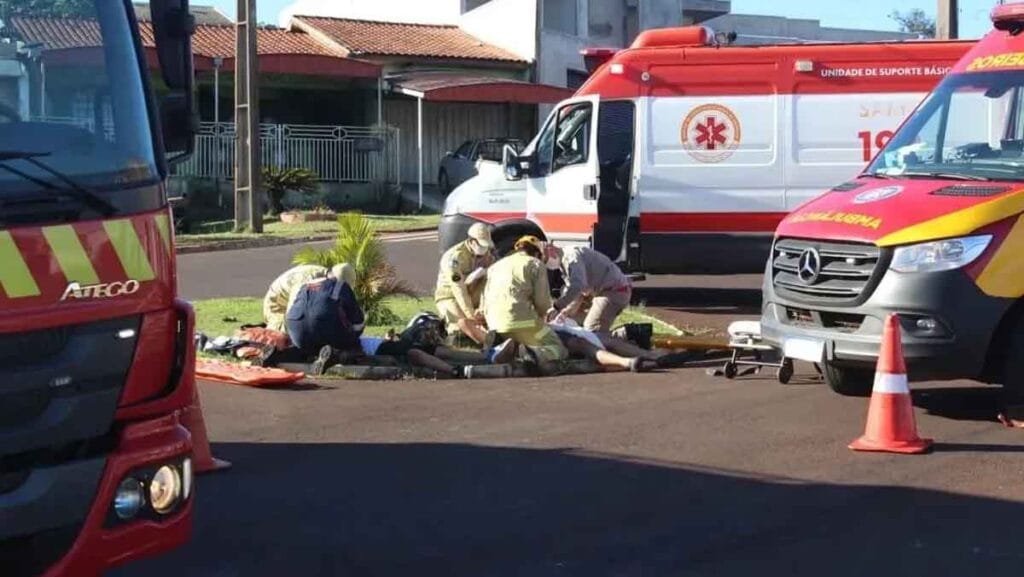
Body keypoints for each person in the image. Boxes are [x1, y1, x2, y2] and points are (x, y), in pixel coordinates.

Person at [481, 235, 567, 367]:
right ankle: (526, 353)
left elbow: (484, 298)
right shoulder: (535, 263)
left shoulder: (495, 266)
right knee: (559, 349)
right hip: (523, 322)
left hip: (494, 323)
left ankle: (497, 352)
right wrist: (545, 317)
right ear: (537, 253)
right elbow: (542, 304)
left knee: (517, 335)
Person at [285, 263, 364, 375]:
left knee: (304, 349)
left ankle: (279, 354)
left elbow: (291, 312)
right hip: (325, 329)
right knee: (355, 348)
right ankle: (335, 355)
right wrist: (354, 337)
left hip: (297, 332)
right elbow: (358, 323)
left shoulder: (305, 285)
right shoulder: (342, 286)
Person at [545, 243, 632, 336]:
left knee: (592, 331)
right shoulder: (563, 262)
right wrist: (565, 312)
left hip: (614, 290)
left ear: (551, 250)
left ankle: (627, 334)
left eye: (545, 260)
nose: (546, 265)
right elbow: (576, 292)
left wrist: (557, 306)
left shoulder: (572, 257)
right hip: (599, 290)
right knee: (570, 317)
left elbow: (577, 286)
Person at [434, 222, 495, 346]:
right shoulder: (454, 258)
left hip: (473, 293)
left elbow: (491, 278)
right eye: (482, 245)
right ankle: (485, 341)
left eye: (486, 246)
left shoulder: (486, 254)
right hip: (450, 296)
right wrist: (471, 315)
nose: (485, 249)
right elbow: (458, 289)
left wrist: (482, 309)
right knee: (458, 327)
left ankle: (487, 336)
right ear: (472, 241)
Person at [263, 264, 330, 332]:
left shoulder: (325, 275)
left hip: (291, 293)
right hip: (277, 305)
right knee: (288, 330)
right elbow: (294, 311)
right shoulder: (306, 282)